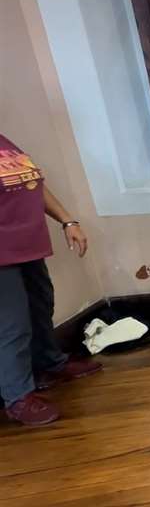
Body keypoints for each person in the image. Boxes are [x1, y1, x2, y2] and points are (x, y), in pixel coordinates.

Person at [1, 133, 102, 427]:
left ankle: (48, 364)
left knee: (41, 304)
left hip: (28, 243)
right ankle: (18, 398)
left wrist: (68, 220)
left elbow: (33, 185)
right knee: (12, 323)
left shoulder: (5, 142)